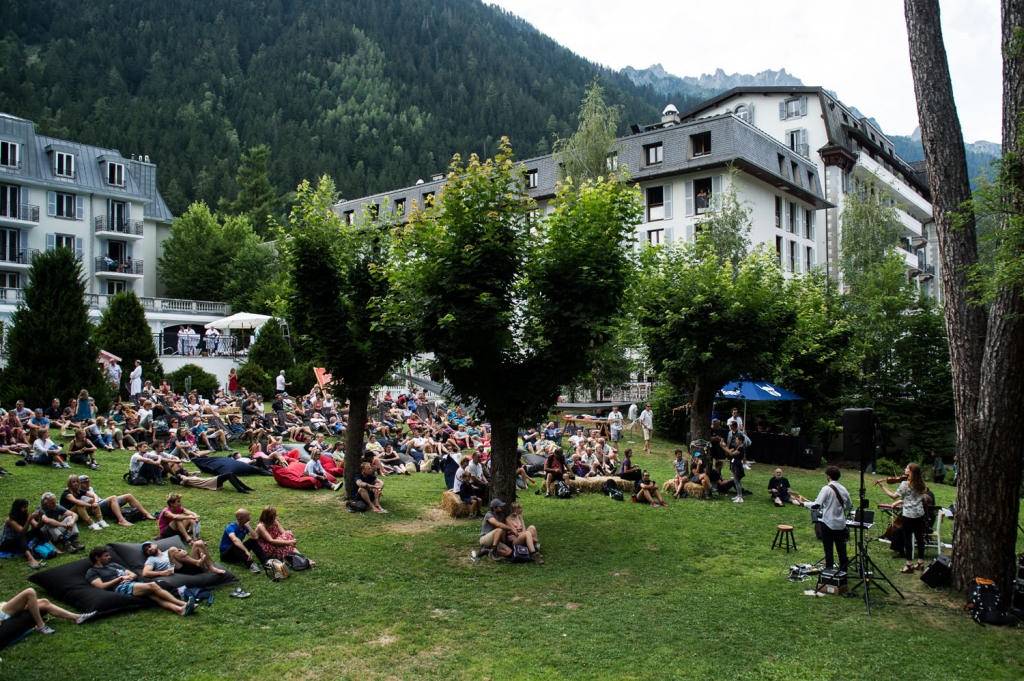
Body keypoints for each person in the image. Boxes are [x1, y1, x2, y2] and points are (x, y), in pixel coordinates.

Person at [87, 546, 196, 616]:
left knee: (154, 597)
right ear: (97, 558)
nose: (109, 557)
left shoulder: (113, 565)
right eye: (106, 556)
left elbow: (133, 574)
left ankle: (179, 610)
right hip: (120, 588)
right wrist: (119, 579)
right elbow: (100, 586)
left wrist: (129, 577)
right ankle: (183, 604)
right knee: (152, 586)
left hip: (131, 584)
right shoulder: (92, 571)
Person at [877, 463, 930, 573]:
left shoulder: (905, 484)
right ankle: (920, 562)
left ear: (910, 472)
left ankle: (909, 564)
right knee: (919, 538)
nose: (905, 469)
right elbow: (919, 495)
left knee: (907, 538)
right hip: (919, 513)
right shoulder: (922, 484)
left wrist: (882, 486)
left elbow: (893, 496)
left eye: (907, 468)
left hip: (908, 514)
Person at [805, 466, 852, 571]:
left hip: (828, 523)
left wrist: (802, 503)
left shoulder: (826, 489)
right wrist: (839, 509)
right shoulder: (844, 489)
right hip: (841, 524)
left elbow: (817, 505)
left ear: (828, 476)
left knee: (828, 550)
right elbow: (849, 506)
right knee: (842, 550)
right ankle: (844, 571)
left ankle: (829, 571)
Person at [1, 587, 94, 635]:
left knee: (44, 602)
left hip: (3, 606)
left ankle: (77, 617)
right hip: (3, 613)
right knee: (29, 592)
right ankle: (41, 626)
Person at [78, 475, 156, 526]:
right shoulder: (78, 492)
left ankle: (145, 514)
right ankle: (121, 520)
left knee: (128, 496)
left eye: (88, 482)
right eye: (85, 483)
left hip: (100, 503)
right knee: (113, 498)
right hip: (95, 508)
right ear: (80, 484)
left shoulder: (90, 488)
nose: (88, 484)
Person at [219, 509, 270, 574]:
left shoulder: (245, 527)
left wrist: (248, 526)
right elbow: (235, 540)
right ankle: (251, 565)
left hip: (237, 553)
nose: (249, 518)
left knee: (252, 541)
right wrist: (245, 550)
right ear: (239, 518)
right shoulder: (230, 527)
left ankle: (265, 561)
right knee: (236, 544)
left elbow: (255, 537)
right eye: (247, 517)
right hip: (226, 555)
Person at [142, 540, 225, 579]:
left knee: (198, 543)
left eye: (149, 547)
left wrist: (183, 552)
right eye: (146, 550)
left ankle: (211, 568)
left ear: (155, 544)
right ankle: (197, 562)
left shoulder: (167, 551)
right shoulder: (151, 559)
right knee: (172, 550)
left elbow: (183, 557)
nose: (149, 549)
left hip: (189, 565)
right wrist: (162, 573)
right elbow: (145, 573)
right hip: (179, 570)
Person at [1, 499, 46, 568]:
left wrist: (40, 517)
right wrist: (28, 521)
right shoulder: (10, 519)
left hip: (18, 541)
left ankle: (51, 549)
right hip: (6, 543)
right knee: (21, 536)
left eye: (27, 506)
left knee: (36, 531)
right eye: (24, 507)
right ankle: (30, 559)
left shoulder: (26, 515)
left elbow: (37, 526)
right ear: (18, 508)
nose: (26, 509)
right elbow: (22, 531)